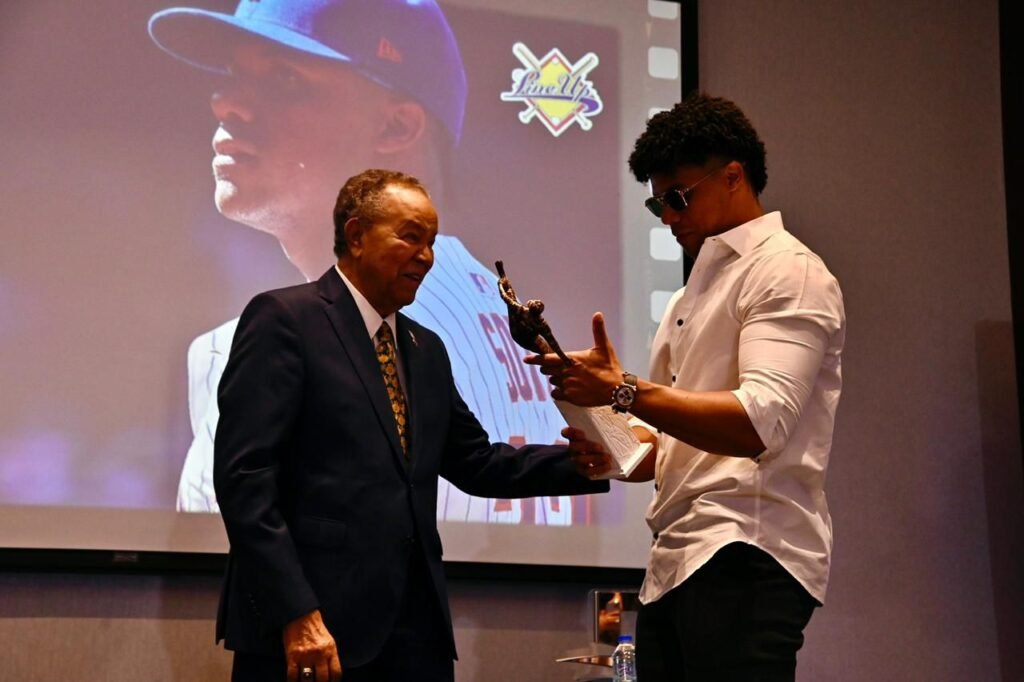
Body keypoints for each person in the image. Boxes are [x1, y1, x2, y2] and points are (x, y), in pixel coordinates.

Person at [148, 0, 574, 523]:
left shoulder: (260, 344)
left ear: (396, 127)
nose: (226, 104)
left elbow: (243, 535)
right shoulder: (491, 315)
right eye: (233, 76)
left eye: (284, 79)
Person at [214, 169, 608, 682]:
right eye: (410, 236)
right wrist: (296, 612)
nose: (426, 256)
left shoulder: (425, 348)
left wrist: (587, 459)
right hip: (311, 632)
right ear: (356, 235)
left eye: (431, 242)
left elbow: (477, 463)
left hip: (414, 636)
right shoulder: (286, 319)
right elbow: (245, 480)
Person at [527, 93, 846, 681]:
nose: (669, 217)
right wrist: (611, 445)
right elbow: (665, 449)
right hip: (676, 558)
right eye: (657, 204)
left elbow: (759, 424)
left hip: (747, 550)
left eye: (679, 197)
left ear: (733, 176)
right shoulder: (687, 295)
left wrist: (621, 389)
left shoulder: (788, 271)